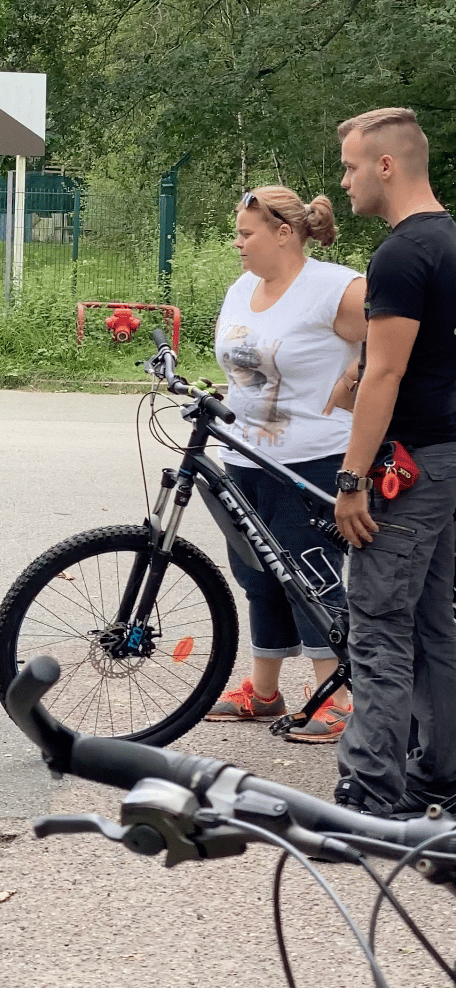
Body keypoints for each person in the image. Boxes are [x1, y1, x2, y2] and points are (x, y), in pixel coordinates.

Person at [205, 186, 367, 742]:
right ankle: (264, 690)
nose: (238, 243)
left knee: (308, 574)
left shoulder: (335, 288)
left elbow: (401, 344)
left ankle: (337, 696)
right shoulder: (241, 288)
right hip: (244, 454)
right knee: (257, 574)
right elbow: (239, 362)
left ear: (284, 233)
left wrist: (352, 378)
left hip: (315, 457)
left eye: (246, 234)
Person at [330, 107, 456, 817]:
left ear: (386, 165)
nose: (344, 181)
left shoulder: (404, 253)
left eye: (351, 166)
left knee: (378, 624)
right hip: (445, 456)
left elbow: (384, 374)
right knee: (435, 623)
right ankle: (440, 778)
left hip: (408, 467)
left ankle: (373, 797)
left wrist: (352, 479)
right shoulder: (448, 240)